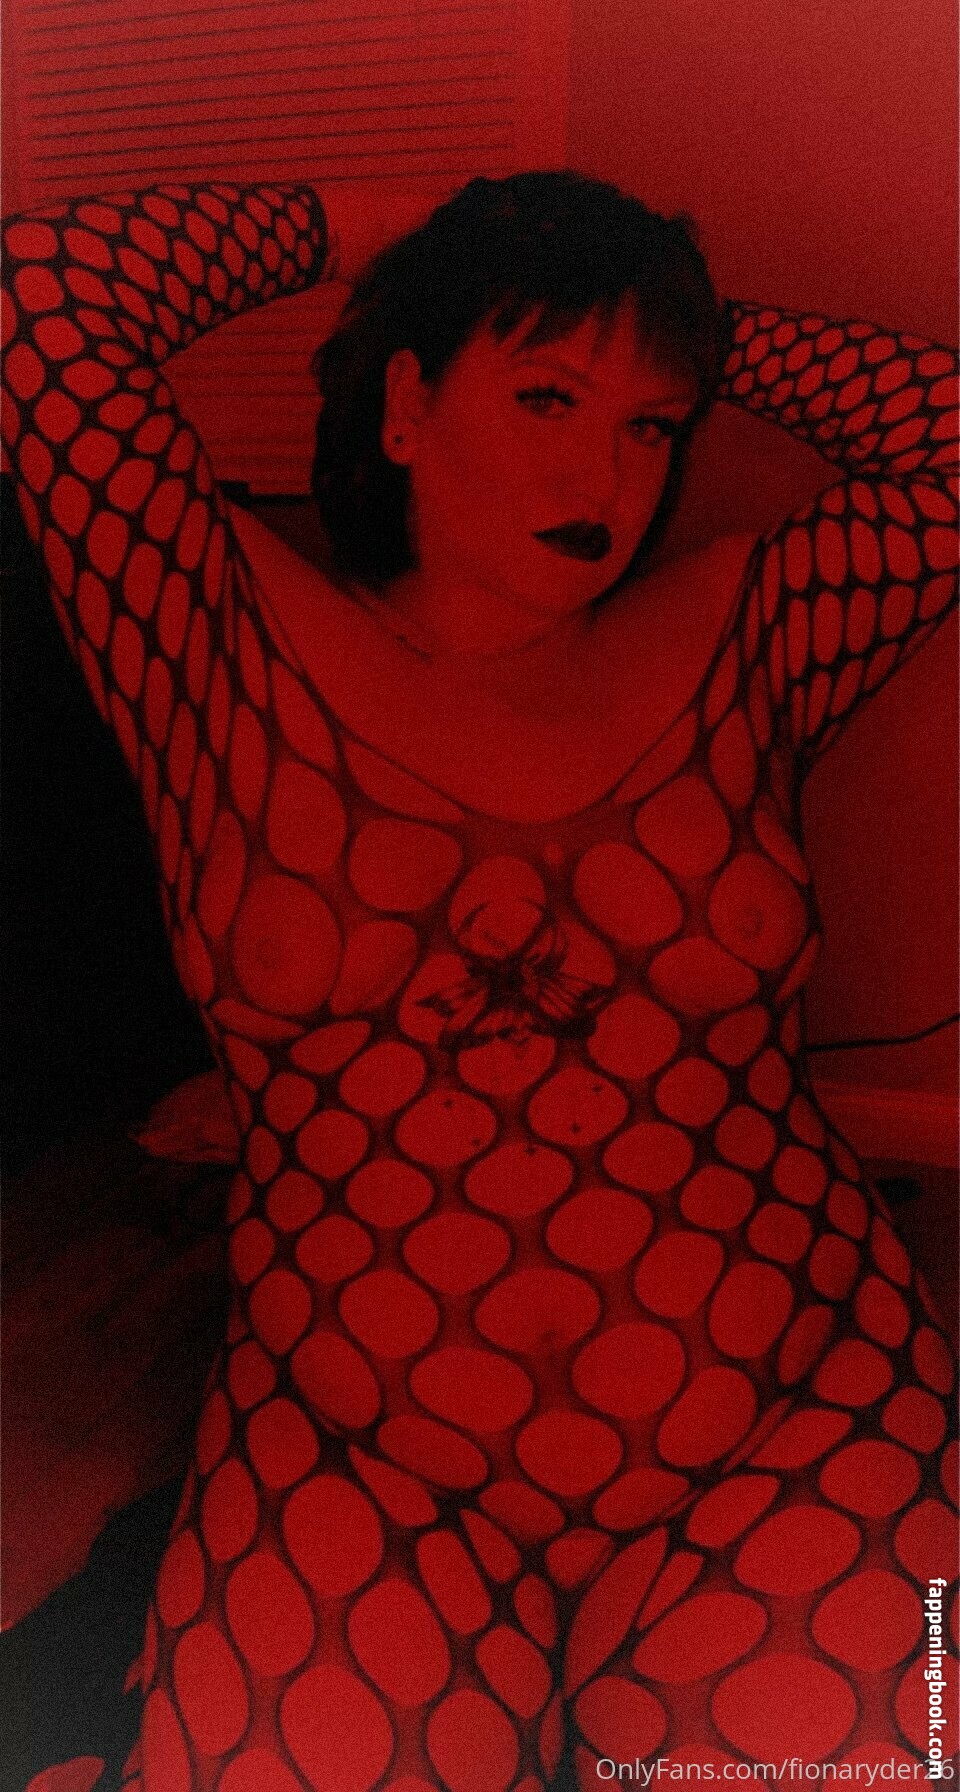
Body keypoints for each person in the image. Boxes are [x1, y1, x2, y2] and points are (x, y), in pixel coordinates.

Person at [1, 170, 957, 1792]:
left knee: (869, 1767)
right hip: (363, 1454)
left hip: (801, 1414)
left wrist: (669, 323)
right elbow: (39, 299)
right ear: (405, 407)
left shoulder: (749, 629)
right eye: (545, 396)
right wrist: (396, 236)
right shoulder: (216, 637)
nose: (605, 474)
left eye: (653, 425)